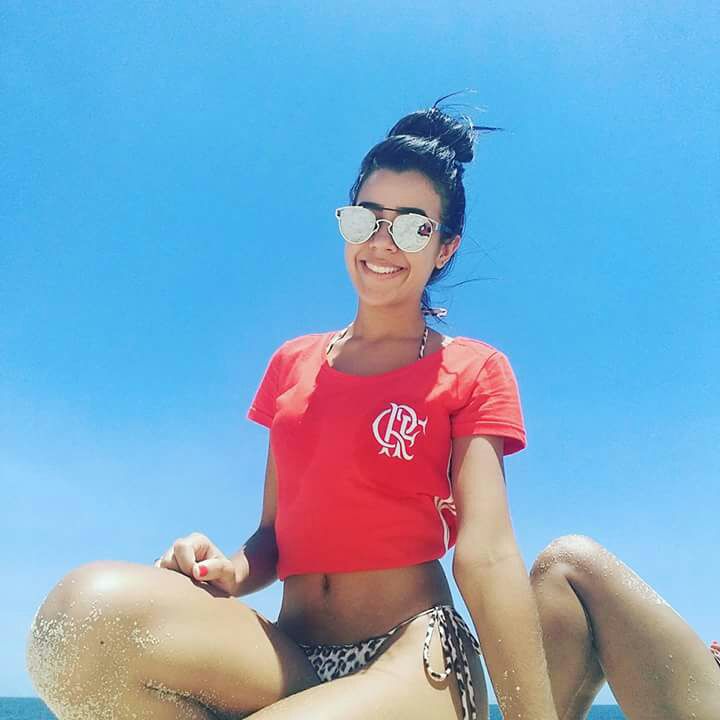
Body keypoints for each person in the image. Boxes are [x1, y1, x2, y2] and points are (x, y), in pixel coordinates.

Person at [24, 96, 719, 720]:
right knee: (75, 625)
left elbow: (486, 553)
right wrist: (231, 570)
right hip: (289, 656)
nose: (384, 243)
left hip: (413, 654)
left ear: (444, 248)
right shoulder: (292, 363)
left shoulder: (472, 369)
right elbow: (275, 535)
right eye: (367, 218)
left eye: (414, 228)